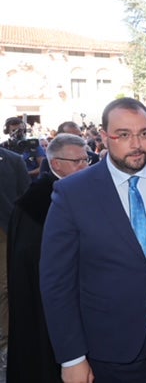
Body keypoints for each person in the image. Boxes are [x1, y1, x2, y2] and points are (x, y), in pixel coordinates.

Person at [39, 97, 146, 382]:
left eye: (145, 134)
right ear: (104, 136)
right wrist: (71, 356)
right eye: (124, 135)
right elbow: (57, 281)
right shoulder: (73, 193)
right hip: (109, 335)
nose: (137, 144)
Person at [6, 133, 90, 382]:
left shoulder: (82, 192)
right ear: (56, 164)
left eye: (87, 159)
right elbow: (32, 258)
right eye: (78, 161)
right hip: (45, 299)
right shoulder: (37, 200)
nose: (85, 166)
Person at [0, 146, 30, 369]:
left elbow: (24, 198)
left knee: (5, 289)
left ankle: (5, 346)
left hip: (5, 233)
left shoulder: (13, 160)